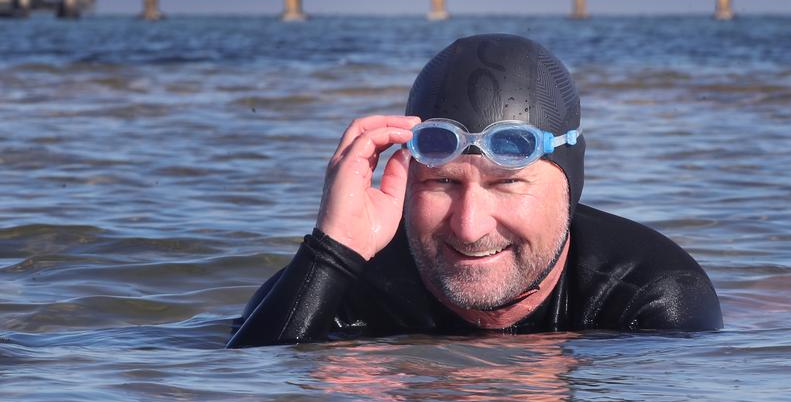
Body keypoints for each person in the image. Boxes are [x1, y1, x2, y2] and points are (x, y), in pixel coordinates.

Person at [227, 33, 721, 348]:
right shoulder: (351, 286)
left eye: (507, 184)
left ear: (570, 188)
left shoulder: (652, 299)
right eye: (441, 183)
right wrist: (334, 250)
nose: (468, 225)